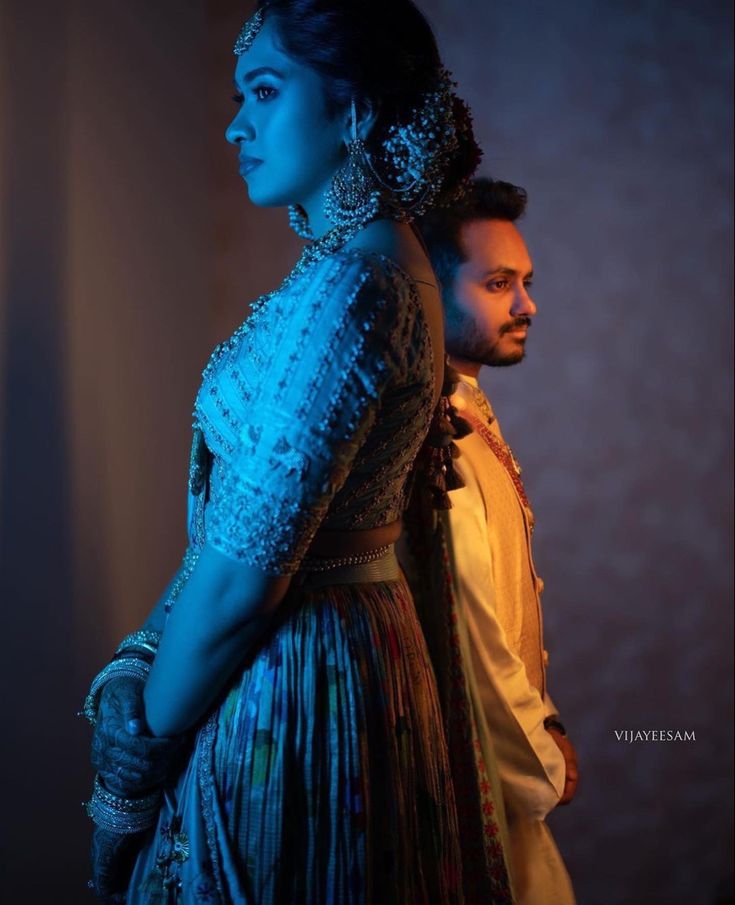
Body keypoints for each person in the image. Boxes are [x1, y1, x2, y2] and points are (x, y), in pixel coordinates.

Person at [81, 2, 490, 903]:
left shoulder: (350, 288)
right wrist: (142, 653)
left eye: (265, 92)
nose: (237, 124)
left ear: (354, 111)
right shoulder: (371, 268)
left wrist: (125, 787)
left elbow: (239, 584)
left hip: (294, 681)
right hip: (341, 652)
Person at [405, 178, 578, 905]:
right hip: (473, 771)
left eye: (525, 283)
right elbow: (474, 623)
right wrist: (542, 760)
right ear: (429, 290)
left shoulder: (469, 411)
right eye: (498, 283)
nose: (526, 306)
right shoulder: (432, 432)